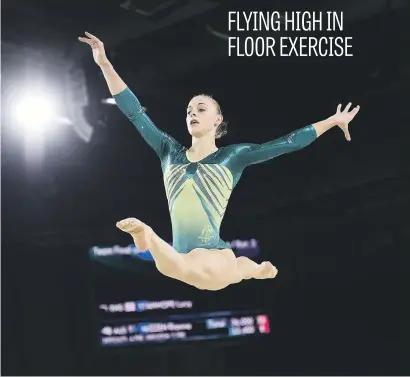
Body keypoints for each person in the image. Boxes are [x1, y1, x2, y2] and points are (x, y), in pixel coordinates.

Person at [79, 32, 360, 291]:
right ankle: (251, 268)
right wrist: (104, 63)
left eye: (201, 108)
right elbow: (135, 113)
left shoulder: (232, 157)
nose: (192, 113)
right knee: (197, 267)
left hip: (213, 258)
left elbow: (287, 143)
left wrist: (332, 121)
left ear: (217, 120)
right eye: (189, 110)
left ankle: (152, 238)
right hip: (188, 259)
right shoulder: (168, 151)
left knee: (189, 268)